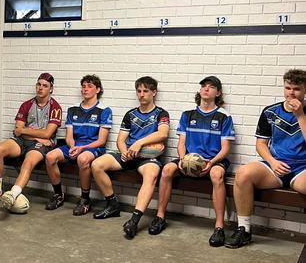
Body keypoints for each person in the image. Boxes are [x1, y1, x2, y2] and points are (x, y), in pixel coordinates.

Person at [149, 76, 235, 247]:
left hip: (213, 160)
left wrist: (210, 163)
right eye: (204, 86)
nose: (206, 89)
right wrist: (183, 159)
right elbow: (181, 143)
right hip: (189, 159)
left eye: (211, 87)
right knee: (166, 170)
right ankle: (160, 217)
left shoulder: (224, 116)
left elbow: (225, 149)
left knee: (217, 174)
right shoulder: (188, 114)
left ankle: (219, 227)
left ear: (218, 93)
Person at [226, 69, 306, 248]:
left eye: (297, 89)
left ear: (305, 90)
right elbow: (261, 144)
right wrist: (272, 161)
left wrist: (300, 115)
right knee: (243, 173)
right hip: (275, 165)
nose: (291, 93)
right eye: (288, 88)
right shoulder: (270, 112)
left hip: (302, 168)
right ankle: (244, 230)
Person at [91, 76, 169, 238]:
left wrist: (139, 143)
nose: (141, 94)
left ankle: (134, 220)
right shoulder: (130, 114)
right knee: (97, 165)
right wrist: (124, 151)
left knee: (152, 174)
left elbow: (163, 134)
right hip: (129, 154)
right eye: (139, 91)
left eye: (146, 91)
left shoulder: (161, 114)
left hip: (148, 157)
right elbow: (121, 140)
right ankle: (112, 204)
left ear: (154, 92)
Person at [0, 73, 62, 208]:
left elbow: (48, 133)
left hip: (41, 145)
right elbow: (18, 130)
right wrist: (38, 135)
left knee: (28, 161)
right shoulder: (26, 105)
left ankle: (13, 193)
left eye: (45, 86)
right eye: (38, 84)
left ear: (51, 89)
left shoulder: (55, 108)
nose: (40, 88)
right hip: (26, 140)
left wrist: (27, 131)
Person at [44, 74, 112, 216]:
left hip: (94, 147)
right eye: (83, 86)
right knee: (50, 157)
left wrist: (81, 148)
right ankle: (58, 195)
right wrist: (73, 146)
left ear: (98, 90)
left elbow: (101, 141)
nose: (85, 89)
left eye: (90, 86)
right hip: (74, 145)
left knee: (82, 159)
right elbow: (69, 136)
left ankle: (85, 199)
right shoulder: (73, 109)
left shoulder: (104, 110)